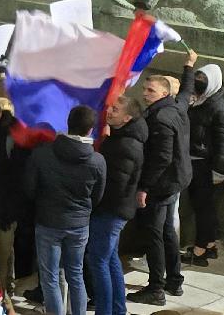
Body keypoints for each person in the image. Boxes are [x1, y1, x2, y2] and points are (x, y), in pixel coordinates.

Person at [128, 51, 196, 306]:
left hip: (162, 185)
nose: (145, 94)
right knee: (168, 231)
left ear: (164, 94)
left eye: (151, 91)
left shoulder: (160, 118)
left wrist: (145, 187)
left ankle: (156, 287)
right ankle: (174, 281)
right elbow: (186, 91)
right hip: (176, 181)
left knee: (154, 233)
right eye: (145, 89)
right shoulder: (176, 106)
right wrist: (188, 66)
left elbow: (162, 158)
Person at [24, 104, 105, 315]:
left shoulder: (42, 154)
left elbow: (30, 189)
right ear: (90, 130)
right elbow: (97, 196)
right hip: (79, 224)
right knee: (75, 274)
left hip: (48, 221)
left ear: (68, 124)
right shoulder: (97, 160)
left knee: (50, 276)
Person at [90, 93, 145, 315]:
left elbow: (115, 185)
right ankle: (117, 309)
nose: (109, 111)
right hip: (114, 210)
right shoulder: (121, 139)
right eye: (110, 107)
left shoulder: (125, 145)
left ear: (127, 118)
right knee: (110, 259)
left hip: (110, 211)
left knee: (98, 261)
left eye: (115, 109)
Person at [185, 62, 224, 266]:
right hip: (197, 162)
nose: (198, 83)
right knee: (205, 207)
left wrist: (219, 170)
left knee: (203, 208)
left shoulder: (220, 109)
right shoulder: (201, 102)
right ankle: (210, 244)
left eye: (203, 81)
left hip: (206, 166)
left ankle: (199, 251)